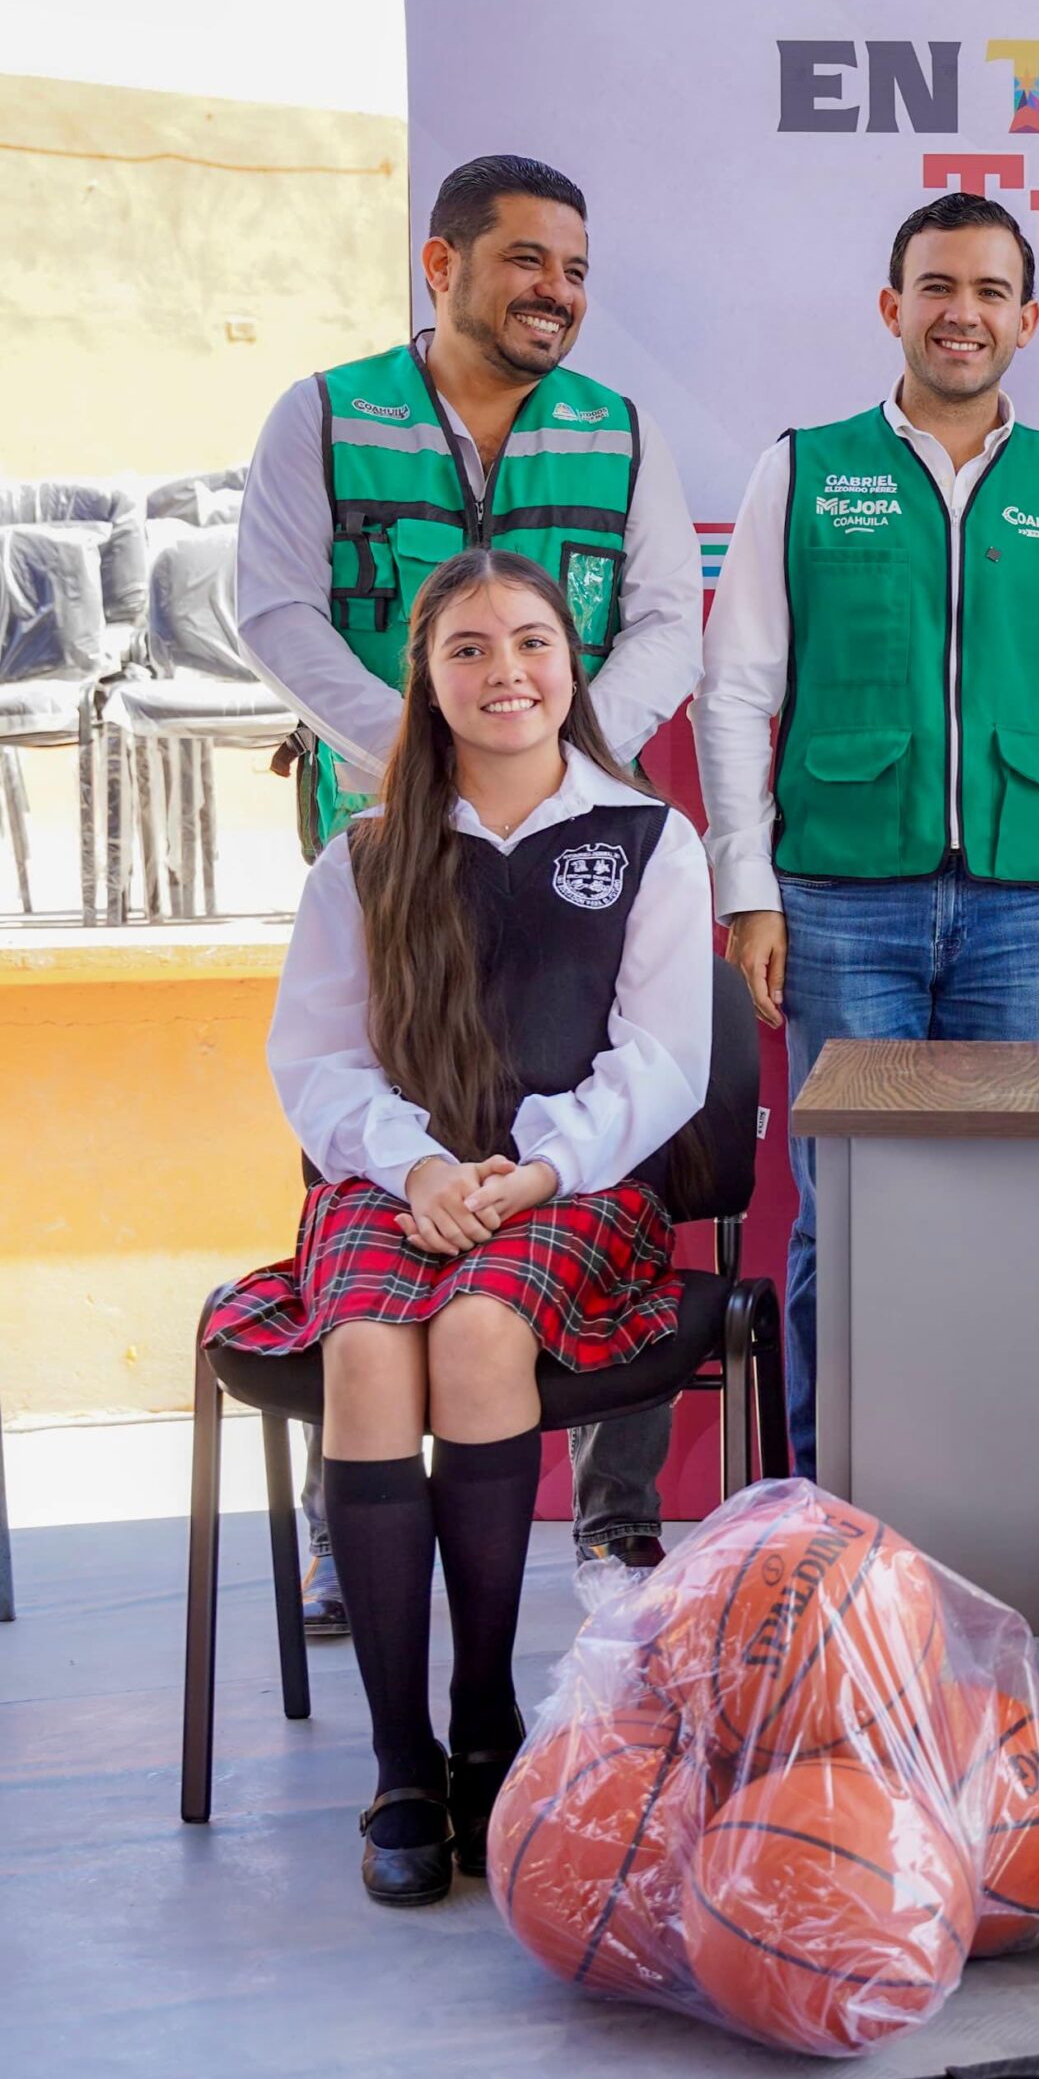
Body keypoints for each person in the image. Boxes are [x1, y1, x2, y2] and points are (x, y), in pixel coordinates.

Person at [203, 548, 712, 1903]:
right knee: (370, 1349)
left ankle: (487, 1726)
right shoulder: (364, 855)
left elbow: (661, 1060)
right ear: (425, 685)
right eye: (469, 650)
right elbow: (316, 1063)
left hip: (578, 1191)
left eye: (533, 642)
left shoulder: (647, 839)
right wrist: (418, 1167)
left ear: (572, 664)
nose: (507, 673)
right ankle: (400, 1766)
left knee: (483, 1330)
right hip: (392, 1185)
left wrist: (535, 1174)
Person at [238, 153, 704, 1608]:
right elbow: (275, 610)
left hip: (575, 828)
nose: (554, 291)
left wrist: (561, 767)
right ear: (441, 267)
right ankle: (352, 1517)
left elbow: (666, 620)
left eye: (572, 267)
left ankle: (615, 1511)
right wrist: (437, 757)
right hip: (391, 834)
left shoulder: (619, 432)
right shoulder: (323, 413)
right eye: (523, 262)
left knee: (601, 1120)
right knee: (372, 1157)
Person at [693, 192, 1039, 1486]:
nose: (964, 312)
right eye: (937, 287)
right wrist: (749, 889)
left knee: (1012, 1209)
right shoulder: (804, 467)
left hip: (1022, 910)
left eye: (991, 290)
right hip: (842, 901)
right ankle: (829, 1503)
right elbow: (736, 690)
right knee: (846, 1216)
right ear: (893, 307)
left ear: (1028, 318)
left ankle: (995, 1496)